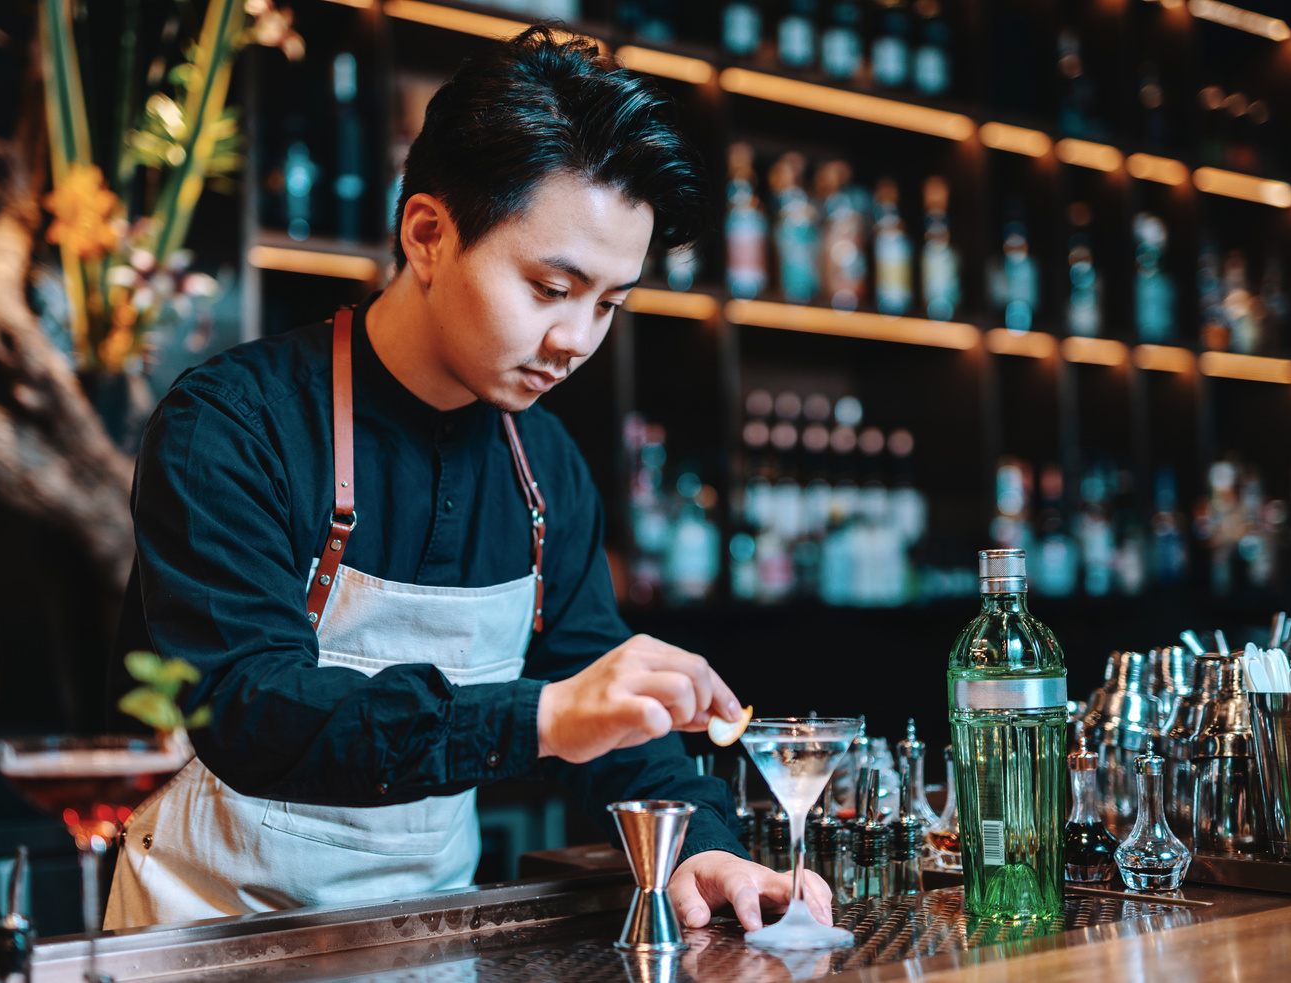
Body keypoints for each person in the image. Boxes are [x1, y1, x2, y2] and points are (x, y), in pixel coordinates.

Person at [104, 25, 832, 933]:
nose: (577, 341)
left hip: (426, 934)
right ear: (428, 234)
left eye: (609, 303)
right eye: (550, 287)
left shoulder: (546, 470)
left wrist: (704, 844)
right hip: (208, 934)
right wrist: (538, 719)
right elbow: (251, 711)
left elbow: (601, 698)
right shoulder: (235, 423)